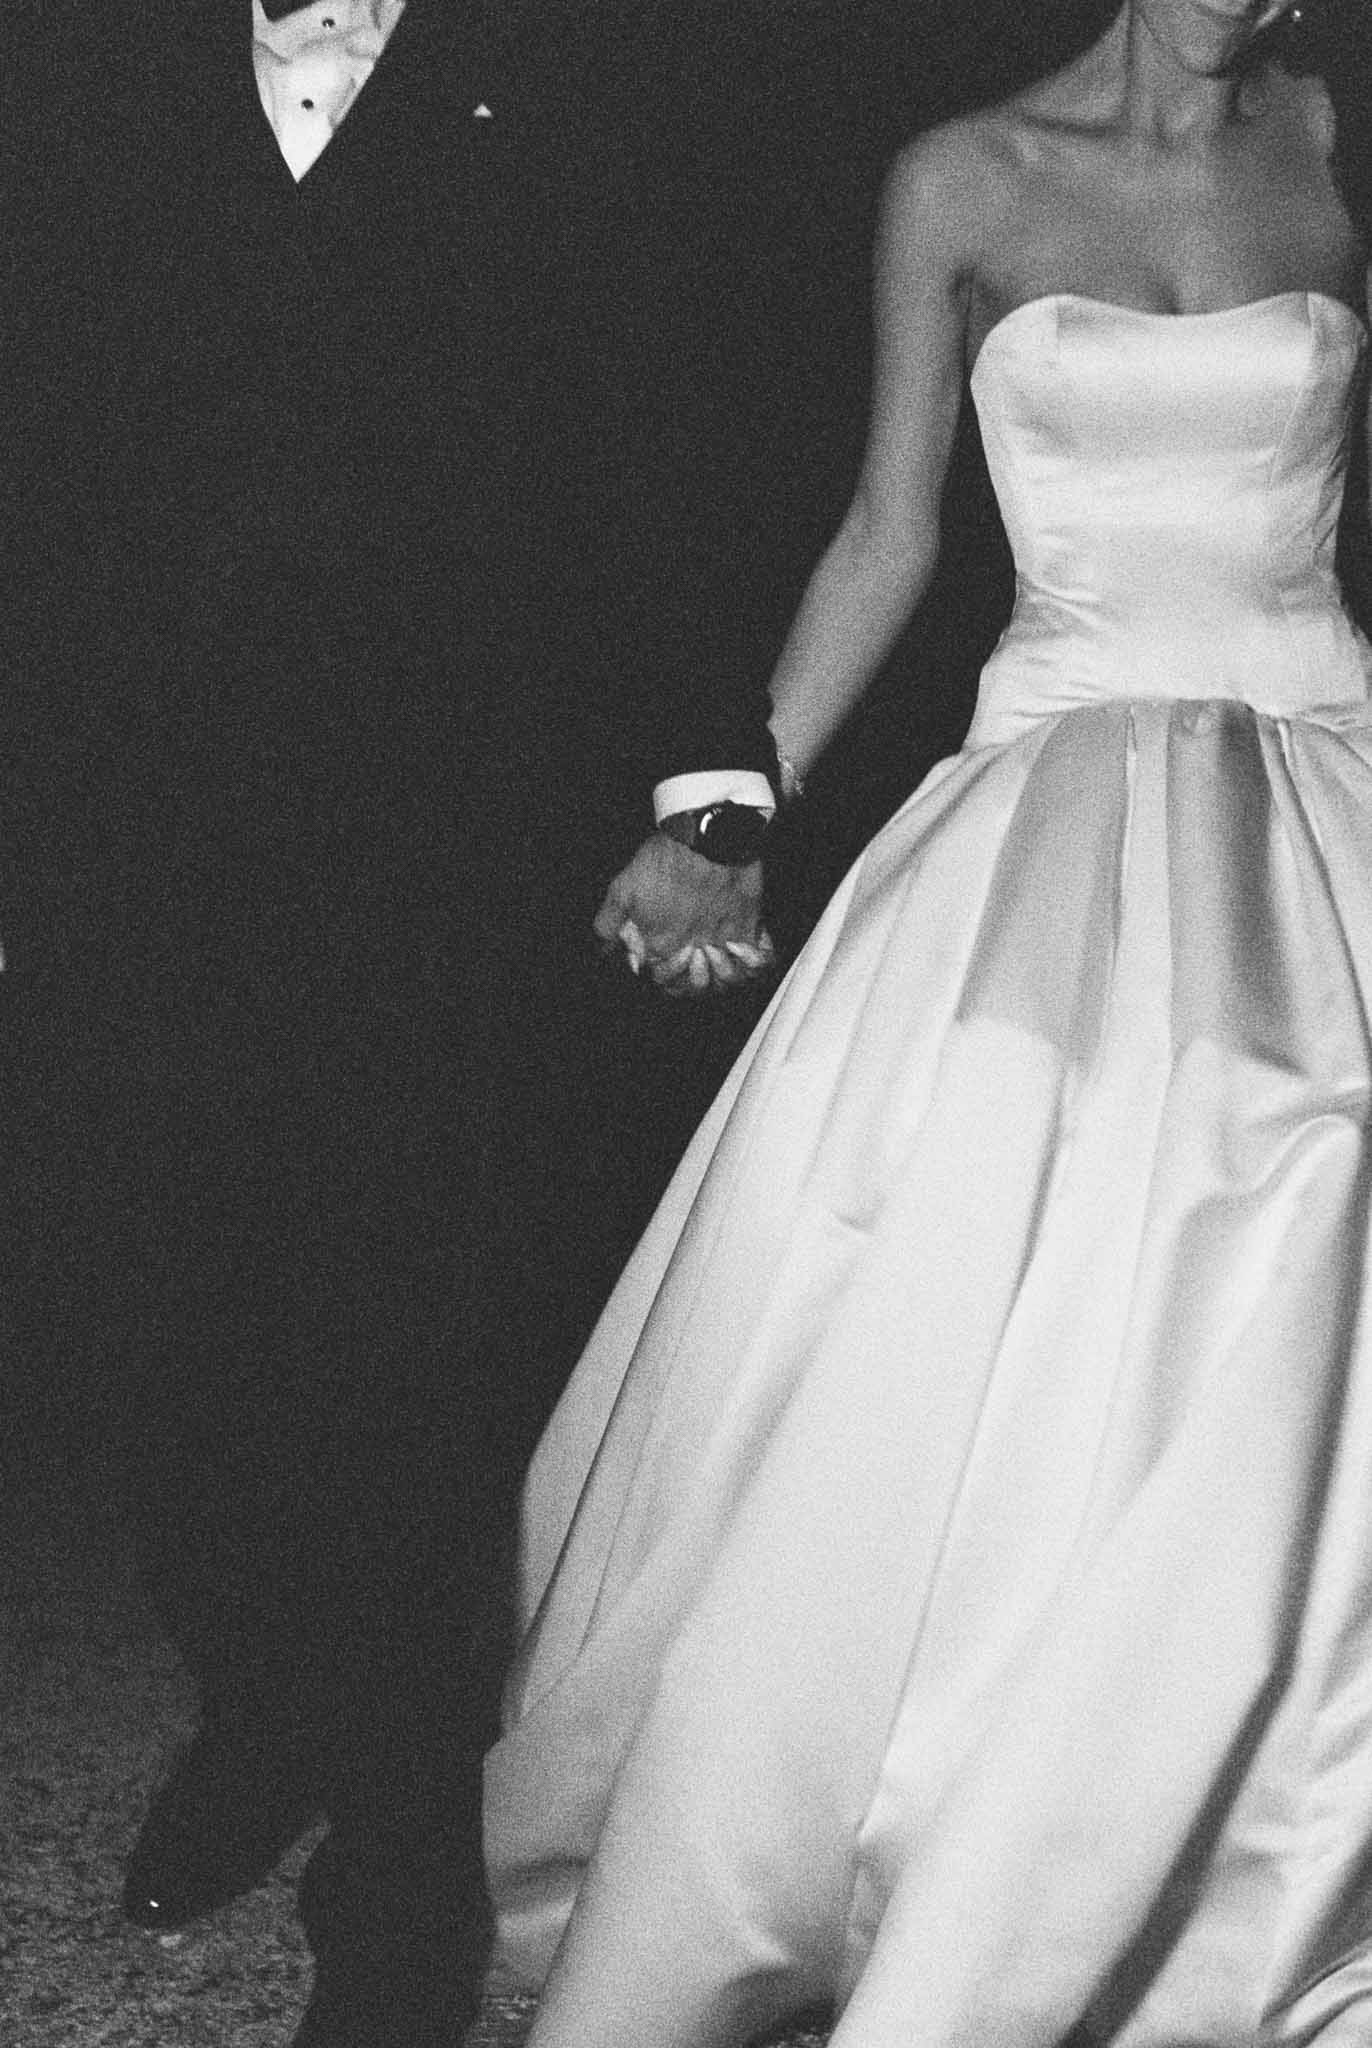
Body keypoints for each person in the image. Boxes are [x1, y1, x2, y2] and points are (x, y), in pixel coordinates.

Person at [2, 4, 977, 2046]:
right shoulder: (76, 75)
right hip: (132, 841)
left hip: (450, 853)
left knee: (416, 1362)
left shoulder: (568, 90)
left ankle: (401, 1872)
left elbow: (655, 444)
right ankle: (262, 1698)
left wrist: (710, 782)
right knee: (169, 1340)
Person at [484, 1, 1372, 2041]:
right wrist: (726, 810)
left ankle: (1278, 1857)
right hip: (1055, 760)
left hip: (1324, 759)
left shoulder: (1333, 135)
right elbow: (890, 528)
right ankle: (982, 1826)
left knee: (1306, 1186)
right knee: (985, 1242)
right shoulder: (955, 174)